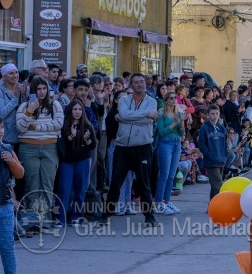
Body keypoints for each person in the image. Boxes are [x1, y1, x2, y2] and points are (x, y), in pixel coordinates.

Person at [102, 73, 159, 227]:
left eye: (142, 82)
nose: (140, 84)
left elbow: (128, 117)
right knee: (115, 183)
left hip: (143, 146)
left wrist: (127, 117)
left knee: (144, 184)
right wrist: (146, 114)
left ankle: (149, 217)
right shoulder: (124, 100)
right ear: (131, 85)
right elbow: (128, 115)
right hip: (123, 147)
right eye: (136, 82)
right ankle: (106, 214)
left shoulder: (151, 101)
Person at [15, 75, 63, 221]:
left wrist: (35, 126)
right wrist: (29, 111)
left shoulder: (55, 105)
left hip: (50, 147)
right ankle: (32, 220)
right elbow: (21, 128)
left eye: (44, 88)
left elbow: (58, 124)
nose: (41, 92)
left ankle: (45, 220)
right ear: (33, 90)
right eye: (38, 89)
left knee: (47, 184)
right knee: (32, 185)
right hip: (29, 148)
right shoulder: (24, 106)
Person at [0, 113, 24, 274]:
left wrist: (11, 161)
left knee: (8, 248)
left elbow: (20, 174)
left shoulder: (7, 148)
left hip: (5, 208)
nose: (1, 131)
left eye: (2, 127)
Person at [56, 100, 97, 226]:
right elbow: (62, 144)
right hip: (66, 161)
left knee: (80, 189)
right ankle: (60, 218)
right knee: (64, 189)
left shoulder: (87, 125)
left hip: (83, 160)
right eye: (75, 109)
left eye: (80, 109)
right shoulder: (63, 124)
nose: (77, 112)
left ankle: (76, 217)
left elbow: (93, 145)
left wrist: (87, 140)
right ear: (70, 110)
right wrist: (72, 136)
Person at [154, 93, 184, 216]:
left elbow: (182, 133)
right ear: (166, 101)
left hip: (177, 143)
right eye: (171, 98)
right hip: (165, 143)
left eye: (175, 98)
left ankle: (167, 201)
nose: (174, 100)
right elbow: (161, 132)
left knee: (171, 175)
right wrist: (174, 123)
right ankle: (159, 203)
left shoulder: (178, 113)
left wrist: (181, 125)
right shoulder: (161, 113)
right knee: (164, 175)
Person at [197, 103, 227, 199]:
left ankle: (211, 206)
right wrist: (209, 155)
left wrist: (224, 155)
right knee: (218, 185)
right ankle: (218, 206)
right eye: (212, 114)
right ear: (208, 114)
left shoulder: (222, 128)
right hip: (211, 161)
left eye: (216, 114)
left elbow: (225, 144)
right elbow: (201, 144)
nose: (215, 116)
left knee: (215, 187)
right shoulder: (204, 127)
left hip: (221, 160)